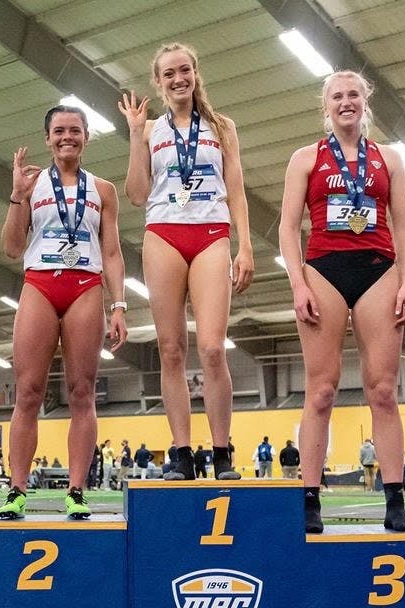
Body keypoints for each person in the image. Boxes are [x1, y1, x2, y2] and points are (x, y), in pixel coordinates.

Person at [278, 70, 405, 535]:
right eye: (337, 96)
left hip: (379, 268)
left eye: (353, 94)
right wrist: (298, 283)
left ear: (365, 101)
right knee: (321, 391)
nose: (346, 102)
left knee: (383, 390)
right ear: (326, 105)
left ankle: (395, 501)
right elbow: (287, 228)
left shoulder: (390, 158)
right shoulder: (305, 158)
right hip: (324, 269)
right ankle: (309, 500)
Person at [119, 42, 252, 481]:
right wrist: (136, 135)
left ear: (196, 74)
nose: (178, 79)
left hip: (212, 232)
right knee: (171, 350)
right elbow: (137, 195)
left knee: (213, 348)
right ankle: (181, 453)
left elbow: (235, 188)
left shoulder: (222, 126)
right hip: (164, 234)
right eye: (168, 74)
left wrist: (245, 246)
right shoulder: (152, 129)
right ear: (158, 84)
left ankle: (221, 450)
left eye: (184, 71)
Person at [0, 105, 127, 521]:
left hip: (84, 285)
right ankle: (17, 490)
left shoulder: (103, 189)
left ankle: (76, 490)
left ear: (86, 136)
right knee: (29, 391)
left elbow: (111, 251)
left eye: (74, 130)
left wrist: (120, 304)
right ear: (47, 138)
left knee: (82, 391)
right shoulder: (33, 186)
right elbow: (13, 247)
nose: (66, 136)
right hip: (40, 283)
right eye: (58, 131)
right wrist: (17, 193)